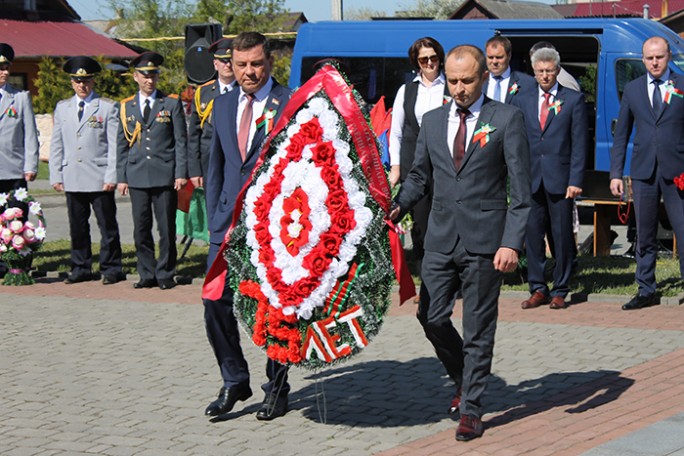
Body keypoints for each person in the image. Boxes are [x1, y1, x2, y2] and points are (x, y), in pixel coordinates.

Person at [390, 45, 530, 441]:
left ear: (483, 76)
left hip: (486, 243)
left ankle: (471, 409)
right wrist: (395, 209)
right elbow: (419, 176)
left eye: (467, 80)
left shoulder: (506, 119)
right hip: (439, 238)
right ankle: (462, 379)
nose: (459, 88)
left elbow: (520, 192)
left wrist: (511, 243)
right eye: (452, 81)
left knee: (478, 327)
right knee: (431, 316)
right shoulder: (433, 121)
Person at [203, 32, 292, 421]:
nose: (249, 72)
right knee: (213, 301)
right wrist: (215, 221)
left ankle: (277, 386)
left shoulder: (290, 102)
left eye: (256, 64)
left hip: (273, 226)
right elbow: (218, 167)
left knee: (273, 309)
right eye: (241, 65)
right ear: (231, 65)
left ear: (269, 62)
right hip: (228, 225)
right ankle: (234, 378)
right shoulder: (221, 105)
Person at [610, 36, 684, 310]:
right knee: (644, 234)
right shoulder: (632, 89)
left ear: (669, 58)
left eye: (659, 57)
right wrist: (616, 173)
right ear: (642, 59)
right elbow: (622, 134)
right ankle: (646, 289)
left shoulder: (682, 85)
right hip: (643, 172)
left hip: (678, 170)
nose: (654, 62)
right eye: (649, 57)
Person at [512, 47, 587, 310]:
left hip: (561, 179)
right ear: (534, 72)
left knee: (562, 235)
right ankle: (538, 288)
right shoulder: (522, 99)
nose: (545, 75)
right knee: (533, 236)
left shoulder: (573, 100)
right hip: (531, 178)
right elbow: (516, 140)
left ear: (557, 70)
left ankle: (561, 287)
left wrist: (575, 179)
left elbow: (579, 144)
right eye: (540, 71)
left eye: (549, 71)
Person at [49, 56, 125, 285]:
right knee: (78, 226)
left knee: (107, 225)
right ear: (72, 82)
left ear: (93, 81)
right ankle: (81, 266)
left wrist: (112, 175)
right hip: (72, 175)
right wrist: (55, 174)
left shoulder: (107, 107)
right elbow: (57, 143)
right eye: (77, 81)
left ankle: (111, 267)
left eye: (87, 80)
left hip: (99, 176)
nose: (82, 85)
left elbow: (114, 145)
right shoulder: (63, 108)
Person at [116, 51, 187, 290]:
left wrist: (180, 172)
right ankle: (146, 272)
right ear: (136, 77)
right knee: (141, 228)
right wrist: (121, 177)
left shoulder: (171, 103)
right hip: (137, 175)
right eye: (145, 76)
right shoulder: (127, 106)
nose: (149, 80)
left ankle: (166, 272)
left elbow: (180, 140)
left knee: (166, 228)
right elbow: (121, 144)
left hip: (164, 174)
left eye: (153, 75)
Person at [388, 37, 447, 301]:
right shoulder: (407, 91)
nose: (430, 63)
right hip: (416, 165)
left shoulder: (450, 86)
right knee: (421, 224)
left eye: (434, 58)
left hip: (446, 165)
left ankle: (448, 277)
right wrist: (396, 168)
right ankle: (428, 282)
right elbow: (396, 132)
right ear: (417, 62)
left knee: (445, 222)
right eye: (424, 59)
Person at [188, 38, 237, 188]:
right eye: (223, 61)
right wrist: (195, 170)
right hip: (209, 161)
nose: (227, 65)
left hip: (237, 159)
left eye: (230, 61)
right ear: (215, 64)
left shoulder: (245, 90)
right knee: (212, 206)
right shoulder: (203, 93)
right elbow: (194, 134)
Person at [0, 43, 39, 207]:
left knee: (15, 223)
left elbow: (30, 135)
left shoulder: (20, 97)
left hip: (13, 171)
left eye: (7, 67)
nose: (6, 72)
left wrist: (30, 166)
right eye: (1, 68)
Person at [483, 35, 535, 104]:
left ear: (509, 56)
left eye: (499, 57)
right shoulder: (479, 82)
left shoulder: (527, 83)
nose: (494, 61)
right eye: (490, 57)